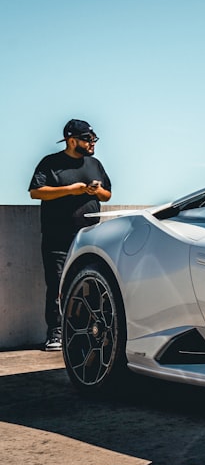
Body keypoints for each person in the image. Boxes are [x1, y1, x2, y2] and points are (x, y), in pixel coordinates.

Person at [28, 119, 113, 350]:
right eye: (87, 139)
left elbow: (107, 195)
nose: (92, 142)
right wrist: (71, 190)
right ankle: (56, 333)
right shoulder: (50, 163)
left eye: (93, 138)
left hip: (90, 238)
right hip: (58, 237)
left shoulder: (95, 164)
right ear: (71, 140)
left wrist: (96, 191)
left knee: (92, 284)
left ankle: (89, 331)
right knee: (57, 285)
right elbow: (36, 192)